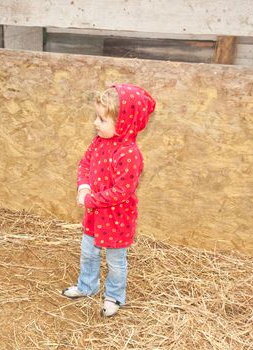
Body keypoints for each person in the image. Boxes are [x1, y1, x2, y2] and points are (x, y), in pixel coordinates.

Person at [62, 83, 155, 317]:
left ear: (123, 123)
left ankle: (114, 296)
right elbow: (84, 163)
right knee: (89, 252)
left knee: (115, 261)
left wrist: (91, 199)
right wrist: (83, 187)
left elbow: (122, 191)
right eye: (97, 117)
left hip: (116, 218)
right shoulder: (99, 142)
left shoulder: (130, 154)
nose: (95, 123)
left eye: (102, 120)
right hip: (94, 215)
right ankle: (87, 286)